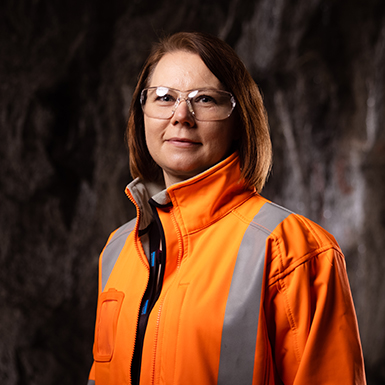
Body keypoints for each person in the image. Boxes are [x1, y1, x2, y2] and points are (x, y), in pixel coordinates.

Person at [87, 32, 366, 385]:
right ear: (141, 114)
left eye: (204, 99)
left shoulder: (294, 251)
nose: (181, 116)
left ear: (239, 121)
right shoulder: (117, 249)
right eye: (163, 98)